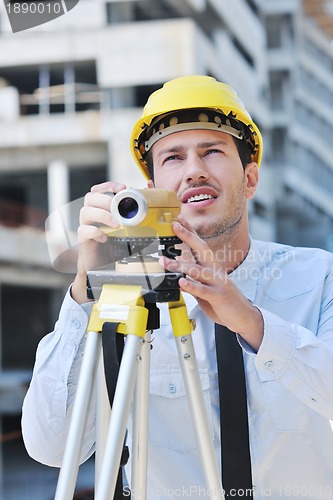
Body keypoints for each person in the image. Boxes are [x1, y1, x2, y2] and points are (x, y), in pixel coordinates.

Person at [22, 75, 333, 499]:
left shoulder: (318, 277)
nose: (194, 171)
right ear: (151, 192)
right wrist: (86, 288)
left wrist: (249, 321)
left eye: (212, 152)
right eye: (173, 157)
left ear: (251, 178)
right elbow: (52, 447)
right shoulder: (124, 301)